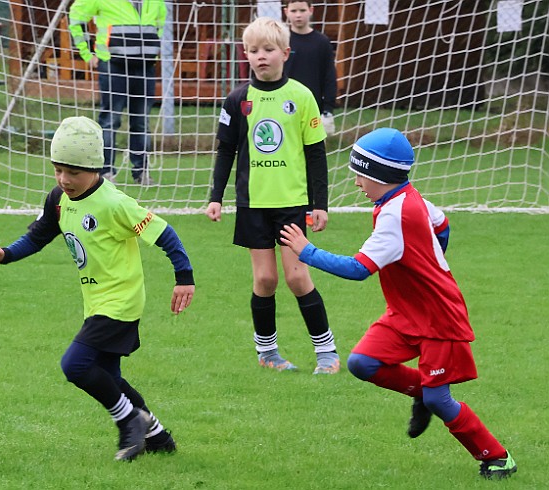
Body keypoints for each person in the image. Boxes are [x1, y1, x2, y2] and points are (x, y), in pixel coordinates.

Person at [279, 128, 517, 479]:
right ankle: (422, 392)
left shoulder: (395, 217)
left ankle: (498, 457)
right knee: (362, 363)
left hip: (438, 316)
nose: (357, 182)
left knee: (440, 400)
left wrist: (306, 251)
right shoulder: (406, 198)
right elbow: (442, 224)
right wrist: (428, 263)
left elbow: (358, 269)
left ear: (379, 175)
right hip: (407, 312)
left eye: (360, 174)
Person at [0, 116, 195, 461]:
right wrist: (4, 254)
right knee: (108, 376)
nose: (65, 179)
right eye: (58, 170)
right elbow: (38, 236)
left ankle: (128, 422)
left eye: (74, 172)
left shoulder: (114, 203)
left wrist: (184, 278)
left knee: (74, 365)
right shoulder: (59, 199)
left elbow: (165, 234)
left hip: (121, 301)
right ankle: (157, 436)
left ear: (95, 168)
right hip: (95, 302)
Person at [205, 17, 340, 375]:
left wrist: (319, 204)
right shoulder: (237, 100)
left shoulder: (300, 96)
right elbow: (225, 151)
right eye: (253, 51)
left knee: (298, 278)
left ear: (285, 52)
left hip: (292, 204)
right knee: (265, 280)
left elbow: (315, 155)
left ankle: (327, 353)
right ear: (245, 54)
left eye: (268, 50)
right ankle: (268, 353)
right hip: (253, 205)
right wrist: (215, 196)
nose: (260, 56)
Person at [68, 0, 166, 185]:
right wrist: (87, 53)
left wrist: (152, 49)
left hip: (145, 66)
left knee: (141, 121)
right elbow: (76, 18)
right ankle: (105, 172)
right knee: (110, 120)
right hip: (113, 64)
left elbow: (159, 24)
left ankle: (141, 172)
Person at [283, 1, 337, 135]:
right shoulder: (282, 40)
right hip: (284, 104)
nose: (298, 15)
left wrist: (328, 110)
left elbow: (329, 76)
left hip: (313, 106)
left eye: (302, 10)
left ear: (311, 10)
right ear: (286, 12)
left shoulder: (322, 42)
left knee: (313, 151)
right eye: (294, 11)